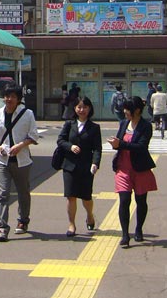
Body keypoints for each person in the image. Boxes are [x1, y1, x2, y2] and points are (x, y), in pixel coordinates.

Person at [0, 85, 39, 242]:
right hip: (2, 160)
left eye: (12, 97)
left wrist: (20, 146)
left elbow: (33, 136)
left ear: (18, 99)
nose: (9, 99)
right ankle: (2, 228)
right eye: (7, 96)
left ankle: (23, 220)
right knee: (2, 194)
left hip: (21, 161)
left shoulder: (27, 114)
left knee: (23, 192)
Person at [108, 96, 157, 248]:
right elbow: (119, 143)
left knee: (141, 201)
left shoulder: (146, 126)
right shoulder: (124, 123)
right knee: (124, 200)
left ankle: (139, 229)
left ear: (137, 111)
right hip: (123, 169)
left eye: (127, 109)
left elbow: (141, 146)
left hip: (140, 168)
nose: (125, 112)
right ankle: (125, 234)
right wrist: (115, 144)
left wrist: (121, 144)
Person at [56, 96, 103, 237]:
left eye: (85, 107)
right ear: (75, 108)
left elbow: (97, 148)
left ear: (89, 109)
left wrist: (95, 163)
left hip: (86, 166)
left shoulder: (94, 127)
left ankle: (90, 215)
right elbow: (60, 140)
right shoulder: (69, 124)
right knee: (70, 196)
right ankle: (71, 224)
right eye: (79, 107)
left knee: (86, 197)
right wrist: (70, 146)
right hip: (69, 165)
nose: (82, 110)